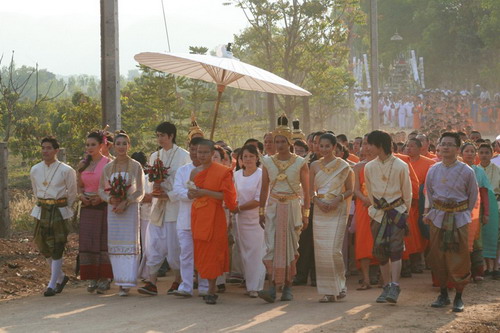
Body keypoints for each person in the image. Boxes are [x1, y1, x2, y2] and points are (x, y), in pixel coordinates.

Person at [258, 115, 310, 303]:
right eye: (276, 141)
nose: (279, 145)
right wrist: (261, 212)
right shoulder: (267, 162)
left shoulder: (300, 162)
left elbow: (307, 190)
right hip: (273, 208)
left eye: (283, 141)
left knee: (290, 248)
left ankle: (288, 286)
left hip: (292, 207)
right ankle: (272, 286)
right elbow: (264, 188)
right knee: (272, 246)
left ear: (290, 142)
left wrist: (306, 214)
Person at [424, 132, 478, 312]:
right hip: (438, 218)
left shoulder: (467, 170)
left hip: (459, 218)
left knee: (459, 255)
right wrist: (430, 211)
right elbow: (429, 193)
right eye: (443, 144)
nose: (445, 147)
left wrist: (462, 212)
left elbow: (473, 195)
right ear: (438, 147)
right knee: (438, 255)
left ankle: (459, 297)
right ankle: (443, 294)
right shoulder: (433, 169)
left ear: (457, 148)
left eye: (450, 144)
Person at [138, 122, 190, 296]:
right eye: (157, 135)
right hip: (157, 206)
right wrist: (156, 189)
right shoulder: (154, 156)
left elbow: (187, 183)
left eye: (162, 135)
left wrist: (170, 195)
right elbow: (151, 181)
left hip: (174, 207)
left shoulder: (184, 156)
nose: (159, 139)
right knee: (153, 243)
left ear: (171, 136)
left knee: (174, 246)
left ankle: (177, 280)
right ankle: (152, 282)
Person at [365, 130, 412, 304]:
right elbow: (370, 192)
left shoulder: (400, 165)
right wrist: (378, 207)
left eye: (370, 144)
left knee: (396, 249)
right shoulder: (369, 167)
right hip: (377, 214)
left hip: (396, 213)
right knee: (381, 251)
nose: (367, 148)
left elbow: (407, 192)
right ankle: (386, 286)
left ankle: (395, 285)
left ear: (380, 145)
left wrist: (403, 212)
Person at [189, 139, 238, 304]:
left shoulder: (222, 171)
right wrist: (192, 194)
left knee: (214, 251)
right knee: (202, 250)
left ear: (212, 154)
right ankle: (206, 284)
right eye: (198, 152)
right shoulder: (194, 172)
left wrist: (204, 192)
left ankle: (211, 288)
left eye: (204, 152)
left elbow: (225, 196)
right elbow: (191, 192)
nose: (201, 155)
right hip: (198, 214)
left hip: (215, 214)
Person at [98, 131, 145, 296]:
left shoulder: (135, 166)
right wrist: (110, 200)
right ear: (114, 146)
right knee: (116, 243)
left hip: (130, 210)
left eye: (124, 143)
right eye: (118, 143)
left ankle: (128, 281)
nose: (121, 147)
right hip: (114, 211)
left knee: (129, 243)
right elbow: (101, 190)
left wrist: (127, 201)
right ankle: (119, 280)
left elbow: (140, 190)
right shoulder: (108, 167)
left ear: (129, 146)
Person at [309, 133, 354, 302]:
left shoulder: (344, 166)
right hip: (320, 210)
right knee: (321, 251)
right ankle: (328, 291)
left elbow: (350, 189)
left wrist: (337, 199)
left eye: (328, 146)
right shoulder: (313, 165)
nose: (324, 149)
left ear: (334, 147)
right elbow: (310, 190)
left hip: (337, 209)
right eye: (321, 146)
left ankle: (340, 285)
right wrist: (318, 201)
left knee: (334, 250)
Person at [30, 137, 77, 297]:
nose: (45, 151)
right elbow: (36, 191)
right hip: (41, 210)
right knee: (42, 244)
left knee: (57, 246)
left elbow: (72, 194)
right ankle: (61, 277)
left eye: (49, 148)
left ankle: (52, 284)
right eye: (43, 148)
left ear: (56, 150)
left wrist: (63, 209)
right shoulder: (35, 169)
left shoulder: (66, 170)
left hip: (59, 210)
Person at [170, 137, 209, 297]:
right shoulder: (183, 170)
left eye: (199, 150)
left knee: (203, 253)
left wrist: (202, 193)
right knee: (186, 253)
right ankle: (186, 286)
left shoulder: (210, 170)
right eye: (193, 149)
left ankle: (205, 286)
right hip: (185, 219)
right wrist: (190, 194)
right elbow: (177, 190)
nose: (196, 153)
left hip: (204, 219)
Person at [77, 131, 112, 294]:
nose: (89, 148)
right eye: (87, 145)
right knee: (88, 241)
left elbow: (112, 186)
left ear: (101, 145)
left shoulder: (108, 163)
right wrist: (81, 196)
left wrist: (101, 198)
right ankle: (92, 276)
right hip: (87, 207)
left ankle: (105, 277)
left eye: (93, 144)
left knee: (103, 241)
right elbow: (79, 186)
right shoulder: (82, 164)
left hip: (102, 205)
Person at [233, 145, 266, 298]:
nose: (248, 159)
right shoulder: (237, 175)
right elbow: (233, 195)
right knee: (244, 252)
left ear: (257, 158)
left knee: (256, 252)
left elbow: (260, 199)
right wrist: (234, 207)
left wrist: (239, 207)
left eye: (251, 156)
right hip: (240, 219)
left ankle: (256, 286)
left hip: (256, 218)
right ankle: (249, 283)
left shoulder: (261, 175)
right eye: (245, 156)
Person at [460, 143, 494, 282]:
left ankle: (478, 272)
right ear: (461, 153)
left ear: (476, 154)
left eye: (472, 151)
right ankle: (463, 271)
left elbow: (484, 194)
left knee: (476, 241)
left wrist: (486, 213)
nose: (469, 154)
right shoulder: (457, 170)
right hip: (458, 211)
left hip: (476, 212)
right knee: (461, 240)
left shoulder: (479, 172)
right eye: (466, 151)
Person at [405, 138, 435, 272]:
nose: (409, 149)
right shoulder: (403, 162)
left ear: (419, 148)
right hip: (407, 204)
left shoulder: (429, 163)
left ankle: (422, 261)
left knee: (422, 233)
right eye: (407, 146)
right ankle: (409, 262)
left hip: (422, 203)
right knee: (409, 234)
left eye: (412, 146)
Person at [353, 138, 378, 290]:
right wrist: (364, 198)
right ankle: (366, 279)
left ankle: (384, 278)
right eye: (364, 144)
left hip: (380, 206)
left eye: (370, 144)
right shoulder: (357, 167)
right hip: (363, 207)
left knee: (379, 239)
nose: (367, 148)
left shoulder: (382, 166)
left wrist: (374, 200)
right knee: (363, 241)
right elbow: (355, 189)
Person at [478, 143, 500, 279]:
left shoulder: (497, 169)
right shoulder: (474, 170)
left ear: (492, 154)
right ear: (478, 154)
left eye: (487, 153)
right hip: (479, 207)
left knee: (497, 237)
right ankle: (487, 266)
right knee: (483, 237)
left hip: (496, 206)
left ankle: (496, 267)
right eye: (482, 152)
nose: (484, 155)